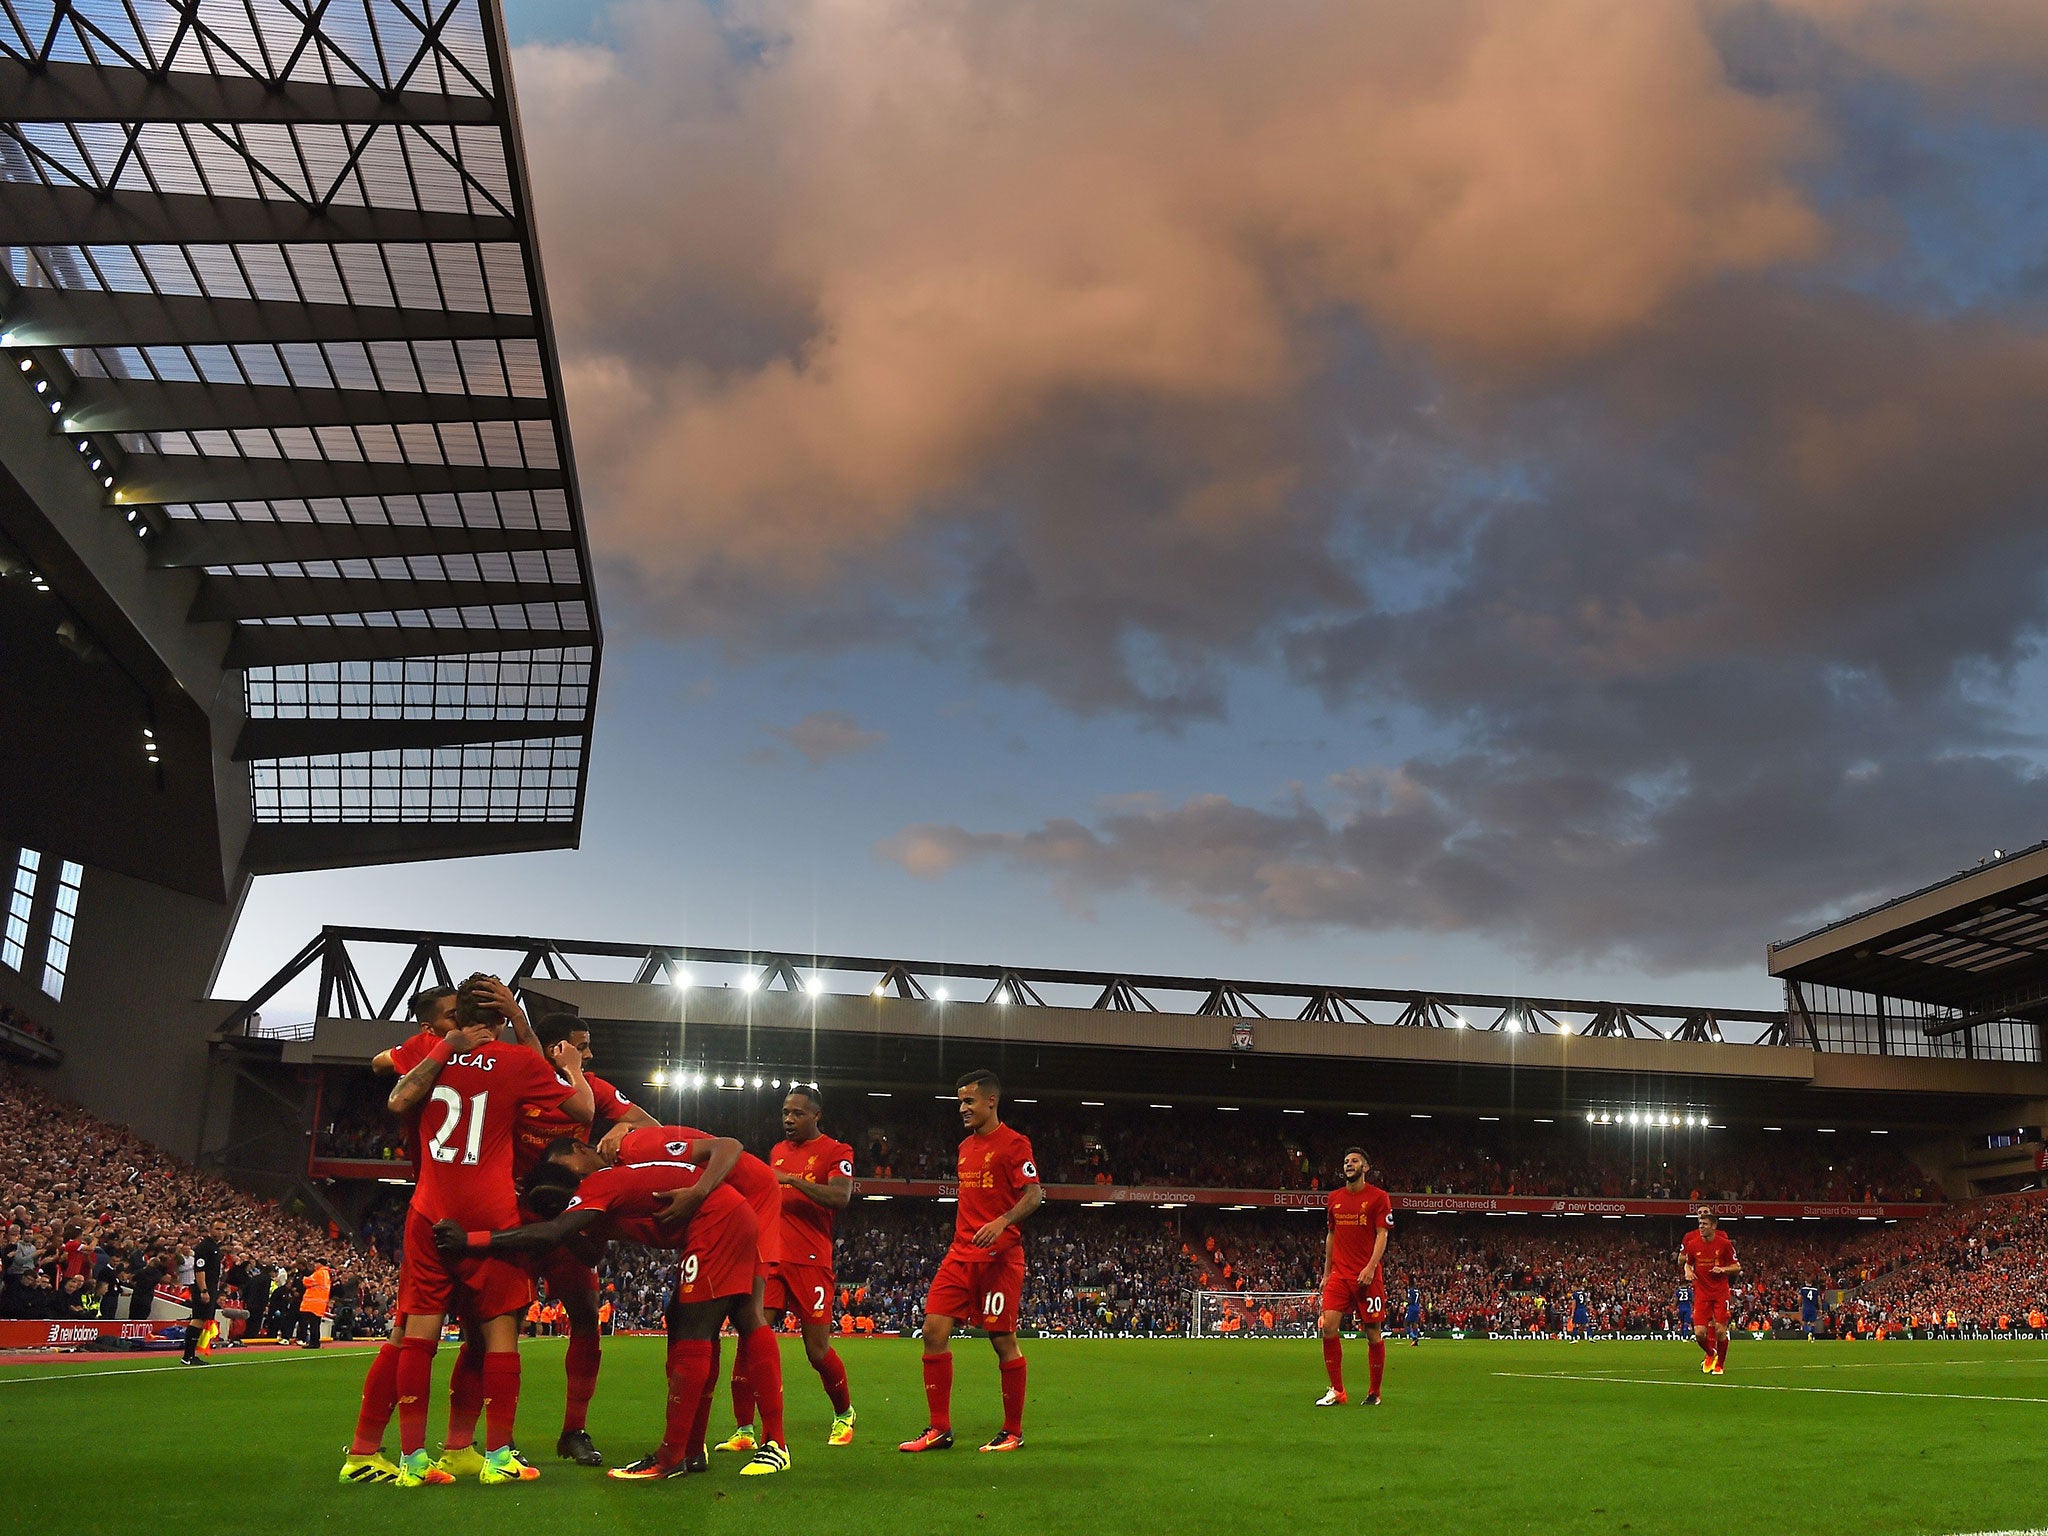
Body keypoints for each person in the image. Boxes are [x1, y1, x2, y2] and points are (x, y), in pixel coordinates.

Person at [337, 974, 592, 1488]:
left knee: (416, 1336)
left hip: (429, 1205)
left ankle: (423, 1456)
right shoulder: (521, 1061)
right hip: (495, 1212)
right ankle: (494, 1453)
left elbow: (387, 1079)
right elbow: (585, 1108)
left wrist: (443, 1042)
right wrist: (525, 1028)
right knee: (497, 1332)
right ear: (501, 1017)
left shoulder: (428, 1048)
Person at [437, 1131, 765, 1482]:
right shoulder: (598, 1204)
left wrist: (470, 1241)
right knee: (688, 1321)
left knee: (693, 1331)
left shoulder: (595, 1187)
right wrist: (567, 1233)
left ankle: (670, 1458)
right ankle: (690, 1451)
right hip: (728, 1217)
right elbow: (590, 1252)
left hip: (718, 1220)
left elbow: (551, 1232)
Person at [619, 1124, 793, 1475]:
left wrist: (698, 1192)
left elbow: (730, 1144)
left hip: (751, 1199)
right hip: (720, 1209)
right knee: (688, 1315)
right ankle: (691, 1448)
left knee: (747, 1312)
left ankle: (777, 1443)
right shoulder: (633, 1146)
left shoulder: (636, 1151)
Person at [899, 1069, 1042, 1455]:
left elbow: (1034, 1194)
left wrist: (1002, 1221)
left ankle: (1013, 1430)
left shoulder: (1014, 1144)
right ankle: (939, 1429)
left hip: (1000, 1258)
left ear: (991, 1101)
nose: (962, 1108)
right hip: (960, 1255)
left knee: (1002, 1341)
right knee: (932, 1331)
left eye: (969, 1101)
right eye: (960, 1102)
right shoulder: (965, 1148)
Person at [720, 1087, 856, 1451]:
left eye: (796, 1113)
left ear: (816, 1116)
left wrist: (795, 1181)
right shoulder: (777, 1152)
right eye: (785, 1113)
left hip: (812, 1261)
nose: (788, 1120)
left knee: (817, 1350)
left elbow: (841, 1197)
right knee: (750, 1340)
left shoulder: (836, 1151)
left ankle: (844, 1413)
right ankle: (745, 1430)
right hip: (773, 1259)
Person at [1316, 1147, 1393, 1406]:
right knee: (1328, 1327)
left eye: (1355, 1161)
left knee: (1372, 1333)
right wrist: (1327, 1273)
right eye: (1346, 1161)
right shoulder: (1334, 1198)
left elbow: (1382, 1234)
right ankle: (1337, 1390)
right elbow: (1332, 1235)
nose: (1349, 1164)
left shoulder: (1378, 1197)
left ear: (1365, 1167)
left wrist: (1371, 1267)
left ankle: (1374, 1392)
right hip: (1339, 1274)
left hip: (1366, 1275)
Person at [1680, 1204, 1741, 1376]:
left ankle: (1720, 1365)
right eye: (1700, 1224)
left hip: (1720, 1292)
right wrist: (1688, 1270)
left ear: (1713, 1226)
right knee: (1699, 1333)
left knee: (1721, 1331)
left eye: (1705, 1224)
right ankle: (1710, 1353)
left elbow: (1736, 1266)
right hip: (1702, 1292)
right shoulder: (1693, 1244)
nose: (1701, 1227)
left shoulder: (1724, 1244)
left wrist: (1723, 1270)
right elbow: (1687, 1262)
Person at [182, 1219, 225, 1365]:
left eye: (222, 1230)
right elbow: (200, 1270)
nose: (220, 1232)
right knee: (198, 1319)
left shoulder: (214, 1247)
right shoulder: (205, 1247)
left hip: (211, 1287)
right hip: (204, 1288)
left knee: (202, 1320)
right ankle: (188, 1356)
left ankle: (190, 1355)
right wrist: (204, 1290)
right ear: (210, 1229)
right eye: (217, 1229)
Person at [297, 1258, 331, 1348]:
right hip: (320, 1304)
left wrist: (303, 1278)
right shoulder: (326, 1274)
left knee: (313, 1325)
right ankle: (315, 1342)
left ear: (320, 1264)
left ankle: (313, 1343)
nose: (315, 1265)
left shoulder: (319, 1273)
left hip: (314, 1303)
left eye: (316, 1263)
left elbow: (307, 1282)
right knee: (316, 1324)